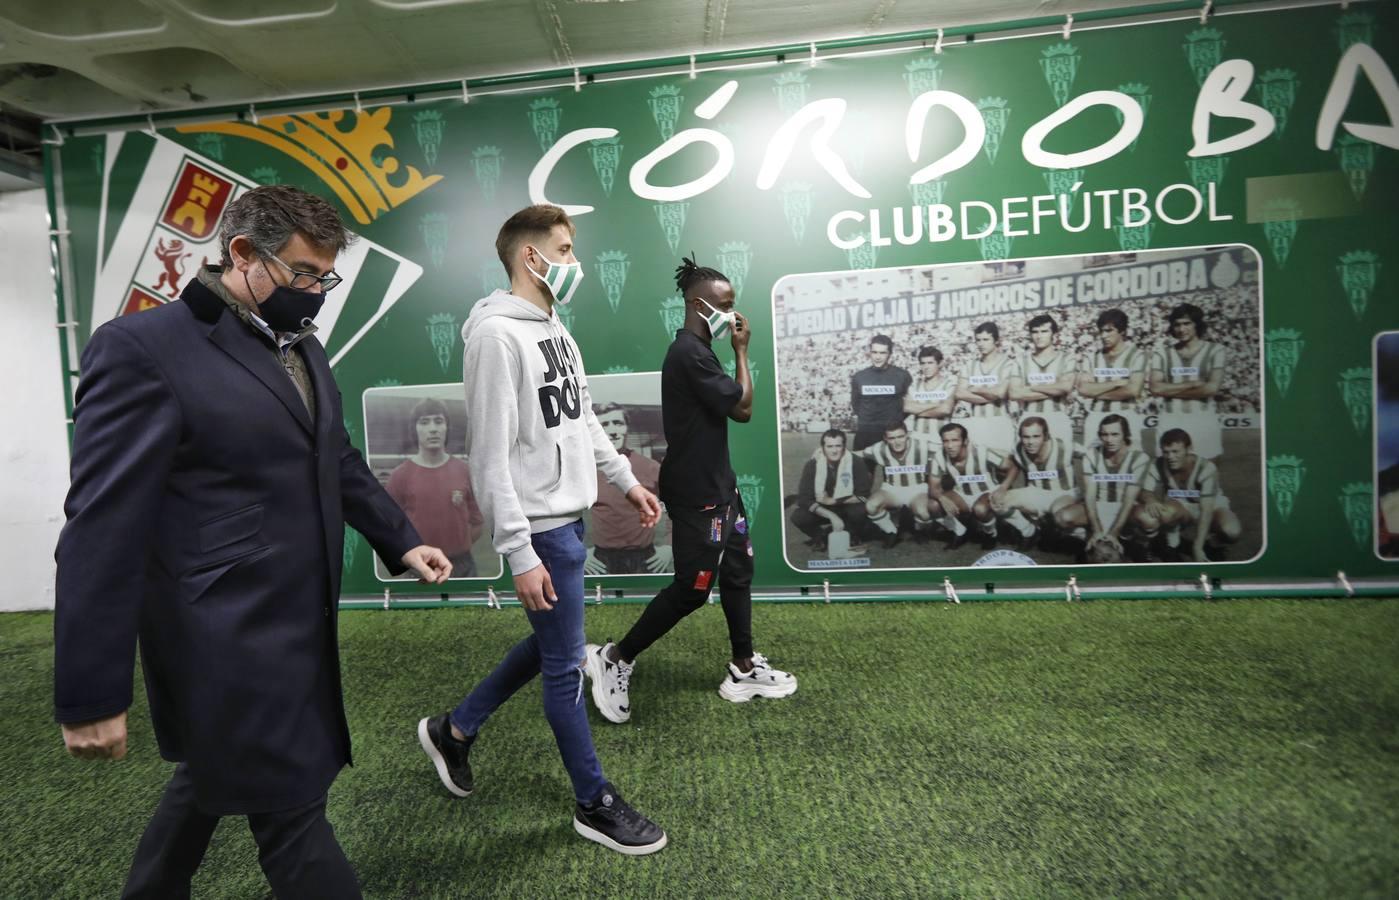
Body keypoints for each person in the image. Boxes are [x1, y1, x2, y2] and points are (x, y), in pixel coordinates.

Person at [53, 185, 452, 899]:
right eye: (302, 274)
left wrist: (399, 539)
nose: (316, 292)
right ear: (242, 254)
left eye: (326, 277)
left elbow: (334, 456)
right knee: (292, 814)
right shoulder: (142, 350)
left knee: (214, 777)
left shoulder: (300, 345)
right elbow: (101, 527)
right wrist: (89, 692)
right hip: (222, 636)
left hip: (300, 621)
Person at [415, 204, 668, 856]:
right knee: (563, 669)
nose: (573, 260)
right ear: (531, 257)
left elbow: (580, 419)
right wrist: (517, 551)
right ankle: (593, 803)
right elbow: (488, 457)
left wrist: (625, 480)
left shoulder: (553, 324)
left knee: (551, 644)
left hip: (568, 521)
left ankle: (455, 730)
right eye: (563, 247)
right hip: (544, 532)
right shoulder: (496, 338)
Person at [584, 255, 796, 724]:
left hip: (719, 485)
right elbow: (743, 409)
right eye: (727, 305)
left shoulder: (700, 350)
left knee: (738, 568)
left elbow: (730, 410)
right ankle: (614, 658)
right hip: (699, 493)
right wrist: (743, 351)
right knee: (693, 589)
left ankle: (743, 667)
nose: (735, 316)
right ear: (699, 304)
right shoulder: (689, 354)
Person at [385, 397, 485, 576]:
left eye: (438, 421)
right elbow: (389, 527)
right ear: (414, 429)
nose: (432, 429)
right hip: (419, 566)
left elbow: (478, 522)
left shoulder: (465, 471)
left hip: (462, 566)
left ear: (447, 427)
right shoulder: (399, 476)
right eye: (424, 422)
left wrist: (457, 546)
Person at [583, 402, 672, 575]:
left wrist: (669, 546)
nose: (613, 430)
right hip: (600, 561)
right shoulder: (586, 470)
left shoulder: (650, 467)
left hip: (645, 558)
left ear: (626, 427)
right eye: (605, 425)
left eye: (618, 423)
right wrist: (581, 551)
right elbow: (569, 515)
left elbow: (677, 508)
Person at [1135, 427, 1241, 562]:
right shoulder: (1158, 463)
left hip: (1212, 506)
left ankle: (1212, 545)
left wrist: (1197, 546)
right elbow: (1145, 490)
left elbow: (1206, 510)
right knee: (1165, 513)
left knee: (1231, 531)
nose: (1171, 457)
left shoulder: (1206, 468)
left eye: (1175, 451)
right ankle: (1172, 545)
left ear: (1189, 449)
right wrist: (1150, 499)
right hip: (1181, 506)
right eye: (1166, 452)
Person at [1055, 413, 1151, 561]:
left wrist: (1114, 532)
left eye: (1115, 434)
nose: (1109, 439)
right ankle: (1093, 538)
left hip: (1126, 507)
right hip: (1099, 505)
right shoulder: (1091, 455)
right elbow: (1090, 496)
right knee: (1062, 517)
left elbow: (1129, 499)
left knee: (1149, 519)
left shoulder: (1139, 458)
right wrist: (1096, 530)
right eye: (1104, 435)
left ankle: (1136, 542)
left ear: (1125, 434)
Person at [1148, 303, 1227, 458]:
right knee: (1169, 474)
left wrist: (1169, 390)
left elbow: (1211, 389)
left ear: (1197, 324)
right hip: (1170, 419)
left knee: (1206, 472)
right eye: (1177, 325)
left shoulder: (1216, 350)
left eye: (1186, 323)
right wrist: (1192, 384)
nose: (1181, 329)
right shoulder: (1162, 354)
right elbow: (1155, 388)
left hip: (1203, 419)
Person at [927, 422, 1022, 550]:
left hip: (987, 492)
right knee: (933, 505)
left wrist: (1003, 488)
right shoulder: (939, 457)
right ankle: (960, 531)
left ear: (965, 441)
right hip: (962, 495)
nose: (950, 446)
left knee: (980, 509)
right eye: (946, 441)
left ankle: (991, 534)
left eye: (955, 440)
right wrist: (942, 499)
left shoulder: (981, 452)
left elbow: (1013, 467)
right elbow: (933, 488)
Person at [990, 415, 1079, 549]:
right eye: (1026, 437)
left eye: (1036, 436)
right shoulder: (1019, 449)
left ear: (1046, 436)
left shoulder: (1065, 446)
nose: (1030, 442)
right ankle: (1029, 531)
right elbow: (1015, 464)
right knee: (997, 501)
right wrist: (1003, 487)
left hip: (1064, 493)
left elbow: (1093, 456)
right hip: (1035, 491)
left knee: (1061, 516)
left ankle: (1083, 537)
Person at [854, 421, 936, 546]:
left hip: (917, 489)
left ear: (907, 435)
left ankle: (920, 530)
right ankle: (891, 531)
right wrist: (825, 452)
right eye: (892, 438)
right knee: (871, 506)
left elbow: (946, 449)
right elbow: (859, 453)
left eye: (900, 437)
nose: (897, 442)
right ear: (885, 438)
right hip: (891, 489)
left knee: (923, 513)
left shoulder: (922, 446)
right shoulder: (879, 449)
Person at [791, 429, 875, 550]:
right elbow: (804, 499)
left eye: (838, 446)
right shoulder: (813, 464)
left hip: (847, 506)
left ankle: (851, 535)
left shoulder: (856, 462)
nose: (834, 450)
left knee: (859, 511)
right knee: (799, 516)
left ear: (844, 446)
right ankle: (821, 537)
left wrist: (833, 501)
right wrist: (831, 515)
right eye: (830, 446)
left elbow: (864, 496)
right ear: (823, 447)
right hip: (823, 507)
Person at [1078, 308, 1146, 444]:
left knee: (1129, 460)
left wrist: (1095, 392)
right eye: (1101, 331)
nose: (1103, 336)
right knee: (1094, 460)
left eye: (1109, 331)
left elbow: (1133, 390)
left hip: (1127, 415)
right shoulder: (1092, 357)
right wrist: (1116, 383)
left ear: (1122, 331)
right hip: (1096, 416)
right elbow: (1084, 389)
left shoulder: (1136, 355)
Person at [955, 321, 1019, 452]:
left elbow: (1001, 393)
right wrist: (992, 394)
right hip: (975, 422)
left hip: (1000, 421)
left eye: (986, 339)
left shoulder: (1009, 364)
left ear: (996, 340)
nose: (981, 344)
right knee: (980, 464)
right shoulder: (969, 365)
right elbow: (959, 393)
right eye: (978, 340)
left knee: (1004, 464)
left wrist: (975, 389)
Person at [850, 334, 912, 450]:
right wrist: (868, 419)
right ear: (870, 352)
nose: (877, 357)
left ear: (890, 354)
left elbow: (909, 404)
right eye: (874, 352)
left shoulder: (902, 375)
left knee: (893, 466)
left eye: (882, 353)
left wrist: (895, 419)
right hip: (866, 431)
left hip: (892, 432)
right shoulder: (859, 377)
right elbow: (855, 404)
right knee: (862, 467)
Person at [904, 344, 957, 442]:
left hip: (941, 438)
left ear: (940, 363)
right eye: (923, 363)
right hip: (917, 437)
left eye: (930, 363)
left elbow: (945, 410)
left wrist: (917, 411)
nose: (926, 367)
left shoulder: (949, 384)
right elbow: (907, 408)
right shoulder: (915, 385)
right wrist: (937, 404)